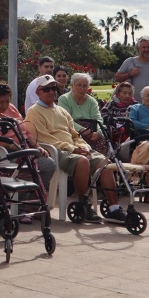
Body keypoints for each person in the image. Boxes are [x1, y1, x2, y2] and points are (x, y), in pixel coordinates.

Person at [25, 74, 126, 224]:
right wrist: (73, 149)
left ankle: (114, 209)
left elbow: (74, 133)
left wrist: (82, 145)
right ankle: (82, 204)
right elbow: (44, 139)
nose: (52, 92)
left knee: (105, 163)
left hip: (73, 148)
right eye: (47, 89)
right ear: (38, 92)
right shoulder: (34, 112)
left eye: (54, 88)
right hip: (55, 151)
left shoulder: (61, 110)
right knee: (82, 161)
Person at [0, 82, 56, 191]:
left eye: (7, 101)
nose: (5, 105)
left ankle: (31, 200)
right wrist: (14, 146)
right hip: (1, 154)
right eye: (1, 102)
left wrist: (37, 146)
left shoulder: (11, 108)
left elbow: (25, 131)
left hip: (22, 149)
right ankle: (21, 201)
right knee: (27, 166)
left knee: (48, 164)